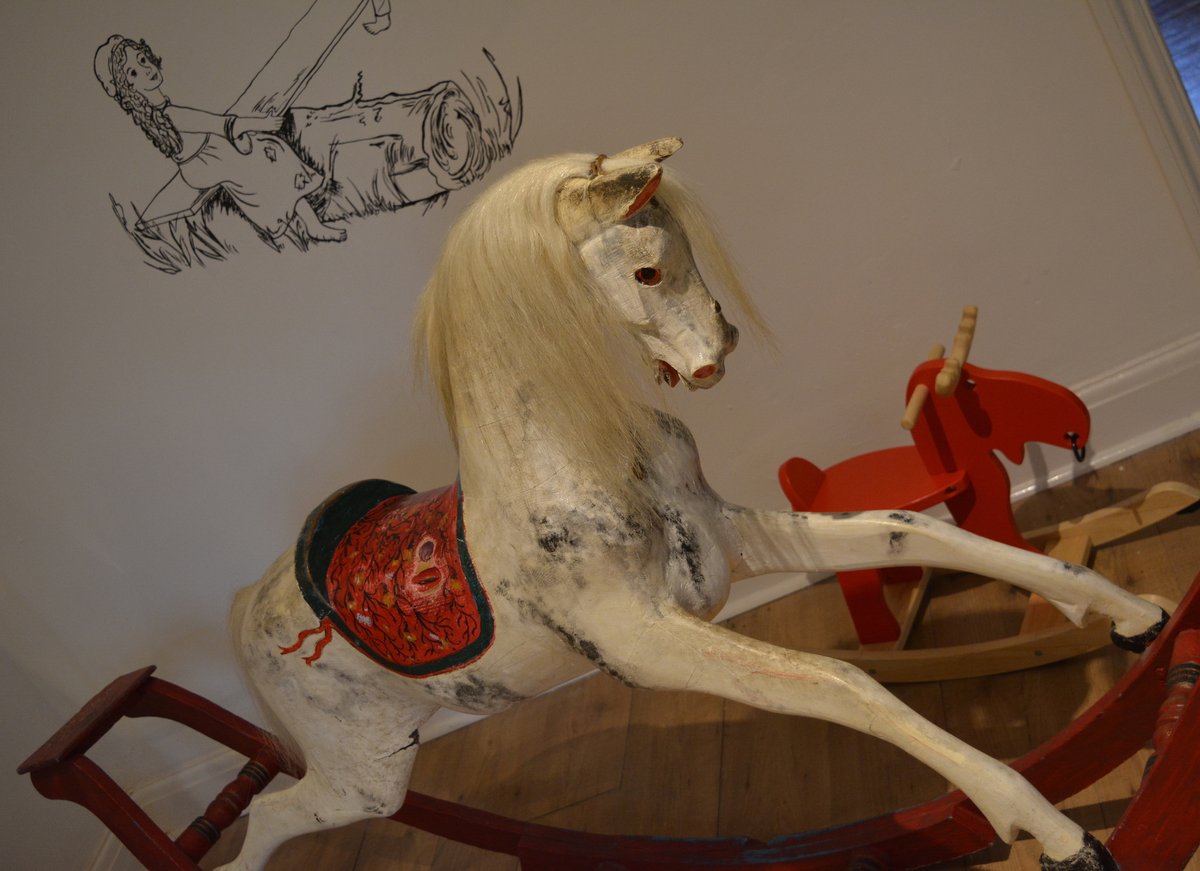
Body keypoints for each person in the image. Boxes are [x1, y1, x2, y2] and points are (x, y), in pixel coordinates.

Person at [94, 35, 346, 243]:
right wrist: (263, 123)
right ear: (128, 89)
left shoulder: (159, 112)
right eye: (133, 73)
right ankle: (300, 222)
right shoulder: (171, 114)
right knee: (268, 156)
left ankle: (309, 222)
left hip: (204, 156)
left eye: (142, 59)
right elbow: (223, 125)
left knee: (266, 150)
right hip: (206, 160)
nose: (146, 69)